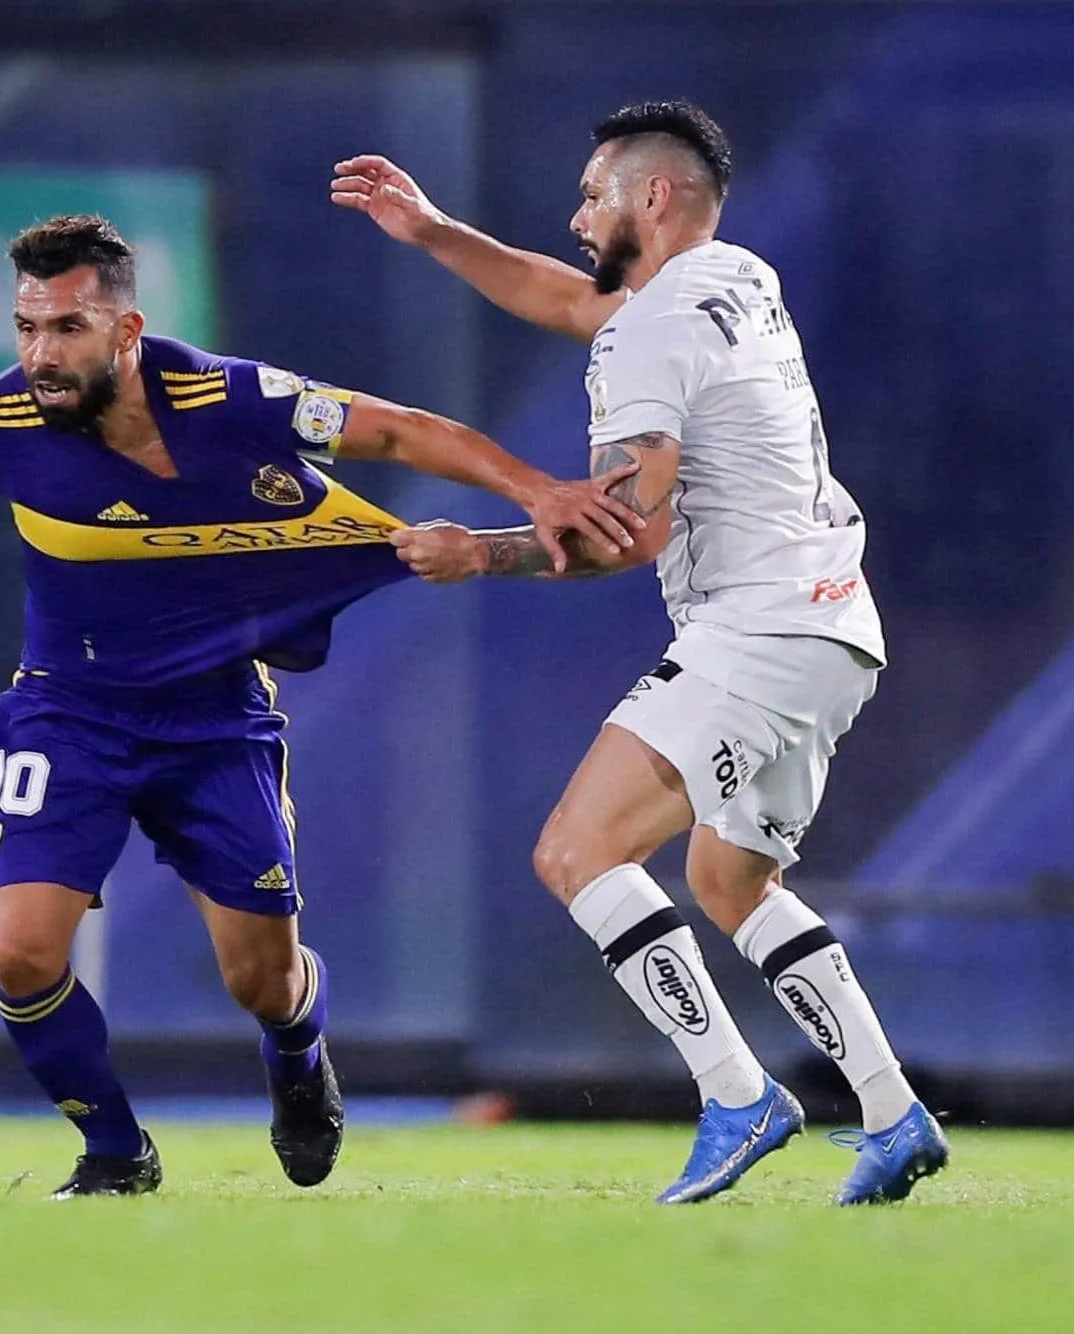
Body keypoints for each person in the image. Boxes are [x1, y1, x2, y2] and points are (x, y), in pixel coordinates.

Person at [0, 214, 638, 1198]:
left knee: (258, 976)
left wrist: (539, 494)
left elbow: (404, 434)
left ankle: (295, 1046)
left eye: (68, 327)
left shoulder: (232, 399)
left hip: (216, 717)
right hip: (67, 710)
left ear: (127, 327)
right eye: (27, 326)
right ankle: (113, 1150)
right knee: (18, 947)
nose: (41, 353)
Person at [334, 101, 948, 1204]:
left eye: (591, 193)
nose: (576, 214)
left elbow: (629, 531)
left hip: (753, 626)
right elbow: (571, 297)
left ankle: (735, 1094)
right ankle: (893, 1112)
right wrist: (432, 230)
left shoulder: (647, 332)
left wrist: (477, 550)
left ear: (650, 198)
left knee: (577, 850)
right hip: (832, 624)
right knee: (728, 878)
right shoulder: (737, 277)